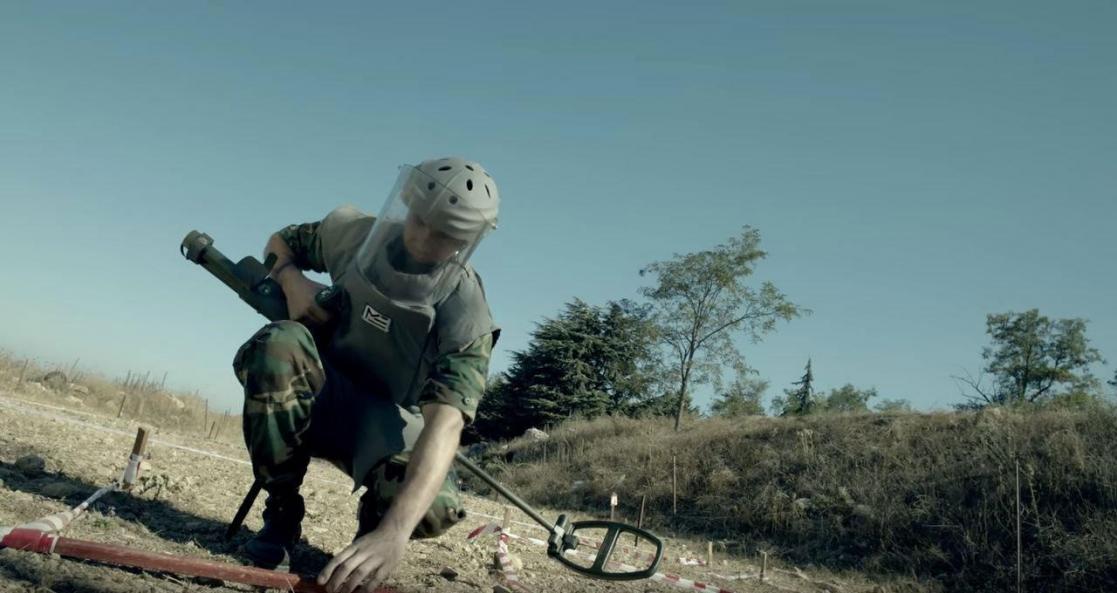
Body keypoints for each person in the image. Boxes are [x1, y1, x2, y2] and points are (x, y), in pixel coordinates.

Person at [231, 157, 500, 593]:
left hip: (389, 423)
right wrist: (291, 280)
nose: (424, 238)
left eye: (445, 234)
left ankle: (371, 536)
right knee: (278, 345)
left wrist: (394, 533)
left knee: (436, 507)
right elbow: (281, 242)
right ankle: (281, 511)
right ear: (408, 203)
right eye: (420, 220)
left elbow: (447, 421)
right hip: (320, 388)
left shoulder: (466, 312)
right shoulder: (352, 234)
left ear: (466, 241)